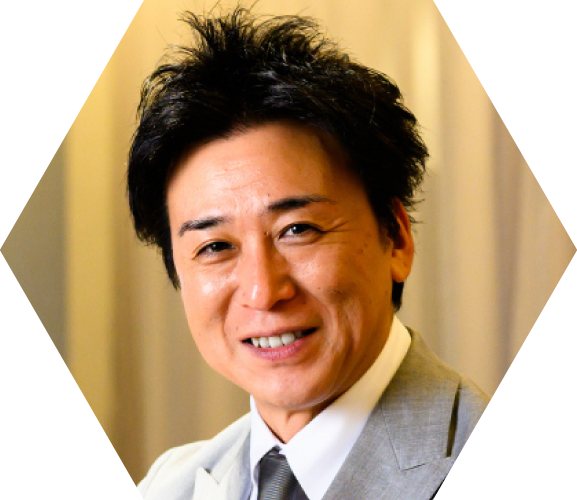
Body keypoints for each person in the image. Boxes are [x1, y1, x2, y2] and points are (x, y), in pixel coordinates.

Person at [129, 7, 488, 500]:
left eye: (297, 229)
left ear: (397, 238)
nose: (263, 292)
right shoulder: (170, 484)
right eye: (215, 246)